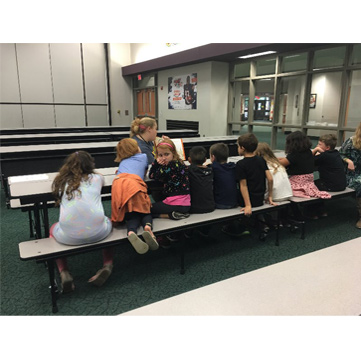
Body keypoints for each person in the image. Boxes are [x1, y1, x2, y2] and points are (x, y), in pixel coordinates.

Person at [50, 151, 114, 293]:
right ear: (90, 164)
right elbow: (100, 177)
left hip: (68, 237)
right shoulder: (97, 178)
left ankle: (64, 271)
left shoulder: (61, 181)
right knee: (108, 220)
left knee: (52, 229)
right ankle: (107, 264)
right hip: (99, 233)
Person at [112, 138, 159, 254]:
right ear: (135, 148)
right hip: (134, 186)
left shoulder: (122, 162)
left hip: (118, 185)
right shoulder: (143, 157)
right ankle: (148, 228)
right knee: (145, 210)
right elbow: (144, 172)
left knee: (132, 213)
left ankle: (131, 232)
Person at [223, 134, 275, 236]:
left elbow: (243, 186)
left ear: (242, 148)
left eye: (238, 146)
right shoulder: (261, 160)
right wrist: (270, 196)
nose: (238, 148)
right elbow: (270, 178)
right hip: (259, 199)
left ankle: (232, 226)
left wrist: (248, 205)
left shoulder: (241, 164)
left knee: (231, 193)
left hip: (249, 201)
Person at [149, 138, 191, 248]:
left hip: (175, 203)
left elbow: (152, 175)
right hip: (185, 203)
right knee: (158, 202)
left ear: (173, 153)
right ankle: (173, 215)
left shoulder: (169, 167)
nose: (163, 158)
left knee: (146, 208)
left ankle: (168, 216)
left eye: (166, 154)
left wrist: (156, 163)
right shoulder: (181, 163)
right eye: (160, 155)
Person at [278, 131, 331, 199]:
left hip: (298, 183)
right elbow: (289, 160)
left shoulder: (294, 155)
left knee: (281, 186)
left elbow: (280, 163)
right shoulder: (308, 152)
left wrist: (270, 158)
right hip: (309, 183)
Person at [339, 122, 361, 228]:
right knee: (360, 184)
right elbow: (340, 154)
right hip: (352, 174)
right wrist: (349, 161)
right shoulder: (351, 141)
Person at [209, 143, 239, 209]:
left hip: (220, 203)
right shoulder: (233, 166)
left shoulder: (213, 168)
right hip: (234, 202)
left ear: (213, 157)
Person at [188, 146, 215, 213]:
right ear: (205, 160)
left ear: (189, 160)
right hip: (210, 206)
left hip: (194, 208)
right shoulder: (210, 170)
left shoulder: (188, 170)